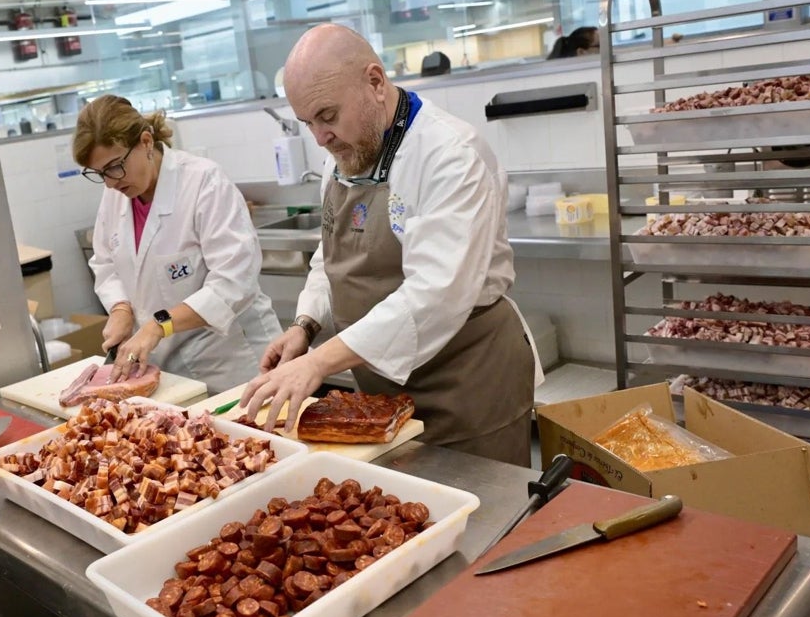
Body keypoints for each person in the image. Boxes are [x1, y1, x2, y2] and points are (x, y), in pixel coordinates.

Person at [239, 24, 542, 466]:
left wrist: (320, 364)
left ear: (375, 83)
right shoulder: (346, 152)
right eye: (308, 123)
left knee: (484, 518)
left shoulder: (450, 155)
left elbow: (435, 295)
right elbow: (333, 257)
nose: (319, 137)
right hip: (383, 387)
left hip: (467, 382)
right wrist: (305, 326)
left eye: (327, 115)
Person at [74, 95, 281, 394]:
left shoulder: (203, 183)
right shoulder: (116, 195)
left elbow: (233, 282)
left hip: (233, 364)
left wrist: (157, 326)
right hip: (169, 366)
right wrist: (121, 310)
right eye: (99, 173)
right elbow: (106, 263)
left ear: (146, 142)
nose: (109, 183)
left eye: (115, 167)